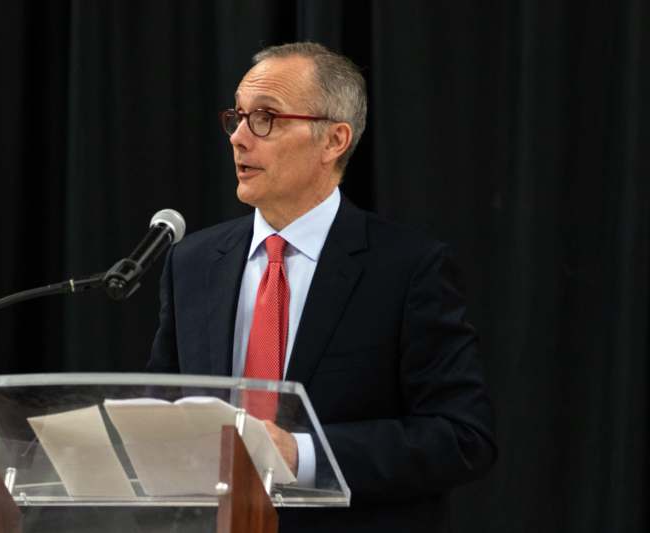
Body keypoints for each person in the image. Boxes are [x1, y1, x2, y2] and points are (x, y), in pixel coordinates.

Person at [148, 42, 496, 533]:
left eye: (266, 117)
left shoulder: (408, 267)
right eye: (238, 117)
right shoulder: (193, 262)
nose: (240, 138)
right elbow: (166, 404)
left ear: (334, 140)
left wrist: (301, 452)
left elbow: (461, 436)